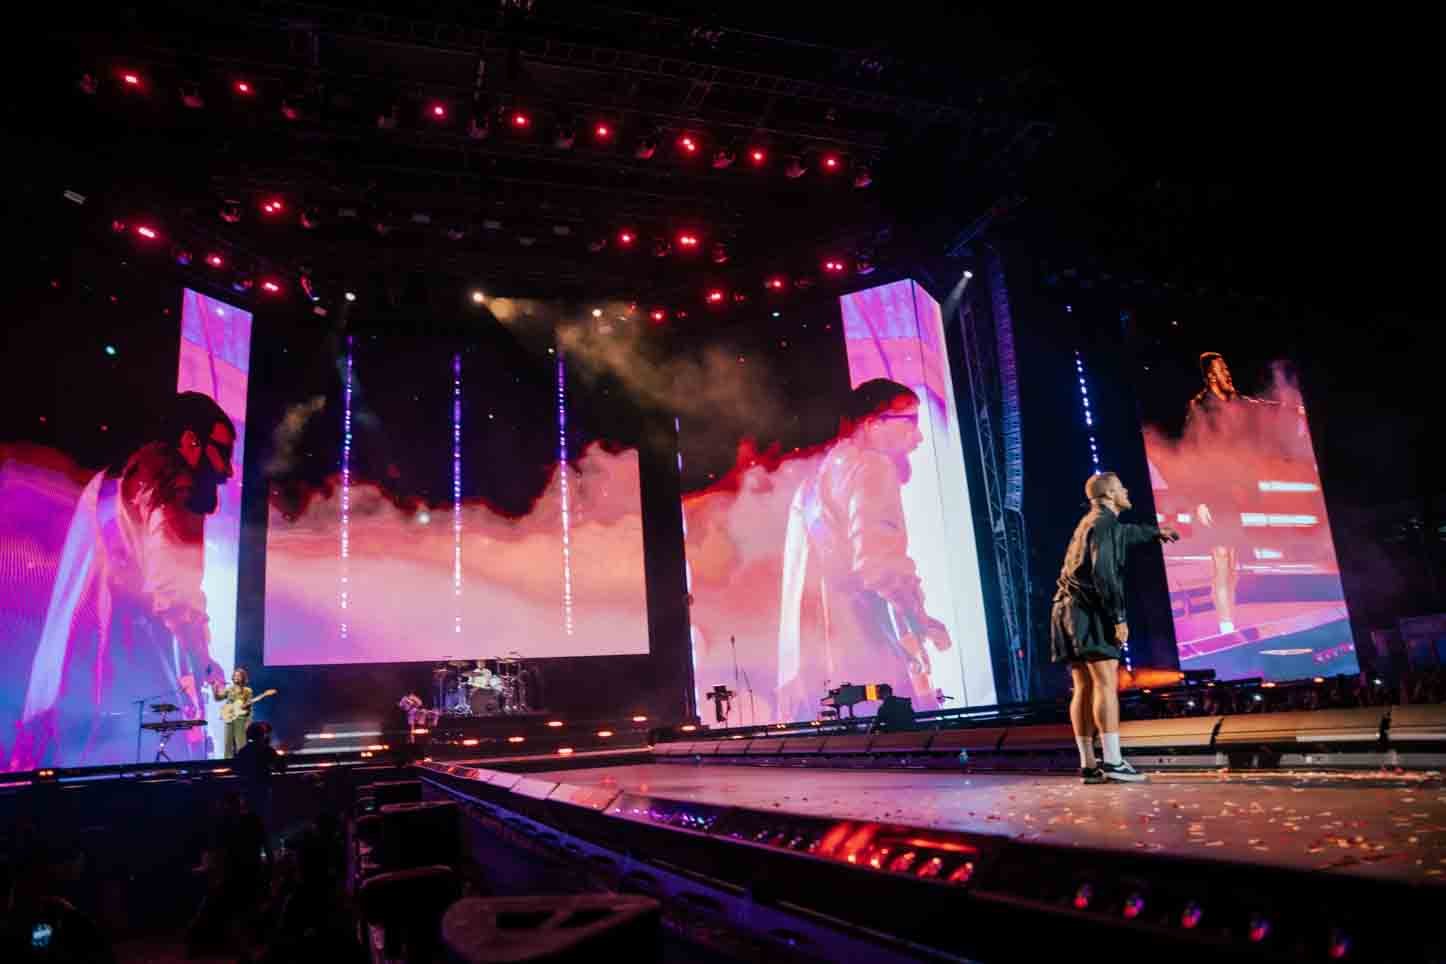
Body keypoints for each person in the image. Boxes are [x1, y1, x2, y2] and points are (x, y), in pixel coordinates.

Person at [11, 392, 236, 769]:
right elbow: (173, 589)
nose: (227, 470)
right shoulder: (176, 486)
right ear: (190, 441)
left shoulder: (112, 481)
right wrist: (203, 659)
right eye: (222, 452)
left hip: (75, 680)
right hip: (129, 679)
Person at [777, 379, 953, 720]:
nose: (918, 437)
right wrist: (918, 617)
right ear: (872, 424)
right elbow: (879, 565)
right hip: (868, 647)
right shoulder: (871, 467)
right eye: (910, 421)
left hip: (828, 660)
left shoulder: (817, 477)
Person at [1052, 472, 1179, 783]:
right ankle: (1113, 761)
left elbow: (1126, 534)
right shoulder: (1105, 524)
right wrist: (1118, 618)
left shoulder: (1094, 521)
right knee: (1106, 683)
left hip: (1065, 611)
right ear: (1109, 493)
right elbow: (1105, 575)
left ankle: (1089, 765)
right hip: (1088, 611)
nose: (1127, 490)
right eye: (1121, 487)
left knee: (1083, 686)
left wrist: (1155, 532)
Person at [232, 720, 285, 828]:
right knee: (264, 818)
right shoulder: (267, 750)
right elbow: (281, 768)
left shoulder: (243, 751)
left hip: (248, 789)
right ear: (262, 735)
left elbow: (236, 769)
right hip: (263, 789)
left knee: (248, 820)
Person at [212, 667, 255, 758]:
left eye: (238, 676)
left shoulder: (247, 691)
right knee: (228, 743)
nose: (236, 677)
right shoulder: (229, 689)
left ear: (243, 678)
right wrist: (215, 689)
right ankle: (227, 762)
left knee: (241, 743)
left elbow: (250, 708)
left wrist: (248, 721)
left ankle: (243, 761)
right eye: (235, 675)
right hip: (229, 718)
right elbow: (218, 698)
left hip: (241, 719)